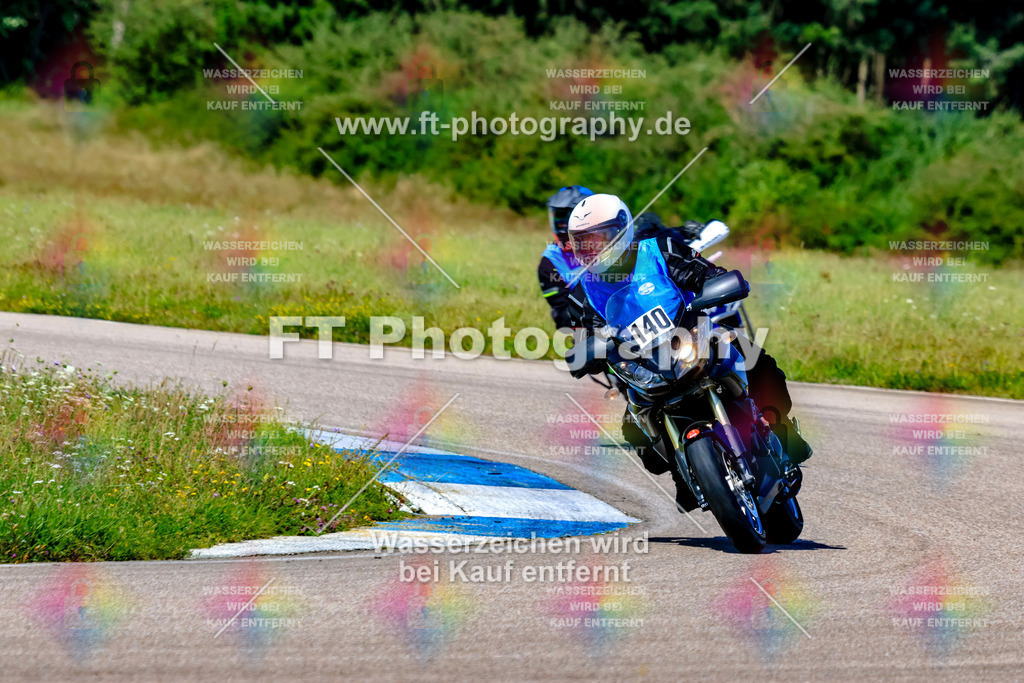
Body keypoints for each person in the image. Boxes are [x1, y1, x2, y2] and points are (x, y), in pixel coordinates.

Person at [562, 193, 811, 512]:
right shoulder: (583, 294)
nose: (592, 249)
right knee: (638, 437)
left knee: (755, 361)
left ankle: (780, 432)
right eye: (583, 243)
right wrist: (586, 352)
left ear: (623, 229)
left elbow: (704, 273)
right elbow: (588, 334)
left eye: (599, 238)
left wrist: (719, 283)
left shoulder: (659, 251)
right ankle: (687, 474)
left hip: (693, 342)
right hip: (644, 369)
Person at [538, 185, 593, 329]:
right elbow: (562, 314)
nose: (562, 228)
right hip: (593, 334)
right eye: (558, 219)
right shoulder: (550, 262)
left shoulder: (612, 246)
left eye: (567, 220)